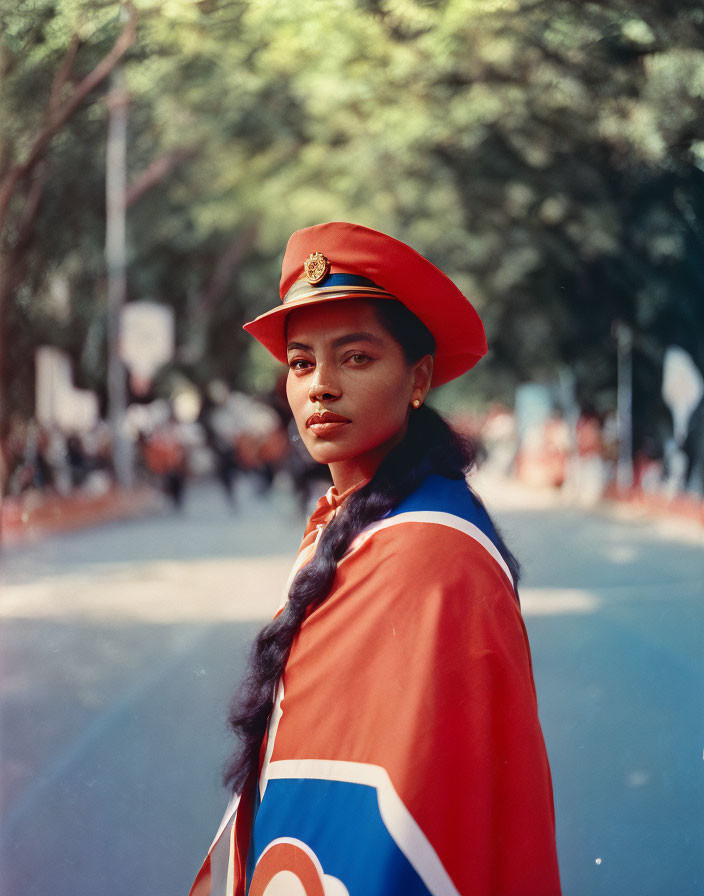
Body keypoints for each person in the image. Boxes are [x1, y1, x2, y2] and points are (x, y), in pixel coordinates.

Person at [190, 223, 561, 896]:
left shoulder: (433, 552)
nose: (319, 387)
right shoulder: (351, 515)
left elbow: (410, 812)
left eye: (355, 358)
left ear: (418, 378)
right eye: (301, 363)